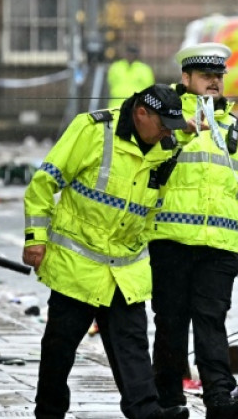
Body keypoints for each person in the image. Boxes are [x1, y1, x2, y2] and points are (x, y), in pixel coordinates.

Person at [23, 84, 190, 419]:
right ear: (141, 113)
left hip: (124, 267)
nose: (166, 134)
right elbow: (43, 183)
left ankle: (147, 412)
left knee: (133, 346)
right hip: (78, 265)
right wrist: (35, 237)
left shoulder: (166, 143)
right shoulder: (92, 130)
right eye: (162, 126)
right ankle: (49, 413)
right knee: (59, 349)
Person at [144, 42, 238, 419]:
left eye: (218, 77)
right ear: (186, 78)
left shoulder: (235, 130)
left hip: (219, 246)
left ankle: (219, 398)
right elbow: (147, 164)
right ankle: (168, 400)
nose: (213, 83)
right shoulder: (164, 118)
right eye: (205, 76)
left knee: (212, 323)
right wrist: (181, 131)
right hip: (171, 241)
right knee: (170, 323)